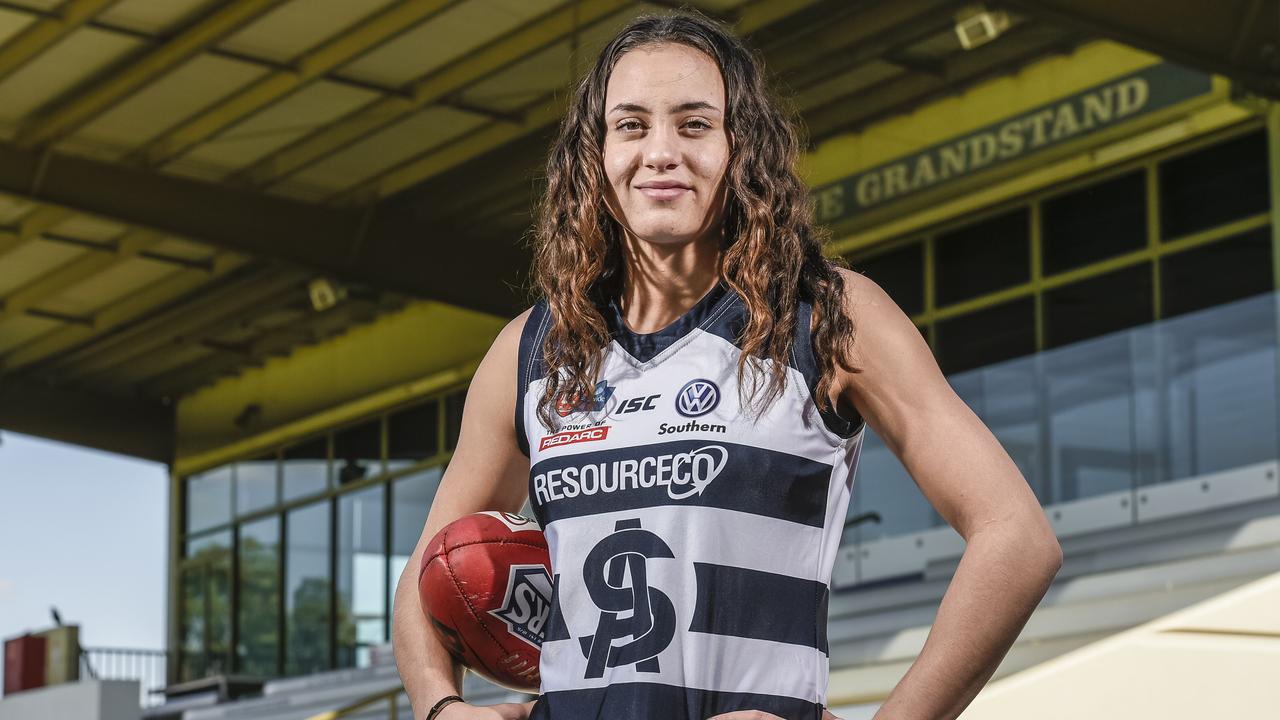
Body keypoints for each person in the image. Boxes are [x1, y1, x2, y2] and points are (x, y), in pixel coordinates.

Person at [392, 10, 1062, 720]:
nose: (660, 152)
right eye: (631, 125)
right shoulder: (532, 351)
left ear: (741, 147)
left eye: (694, 124)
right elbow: (424, 577)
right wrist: (441, 707)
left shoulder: (827, 317)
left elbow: (1016, 537)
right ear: (595, 155)